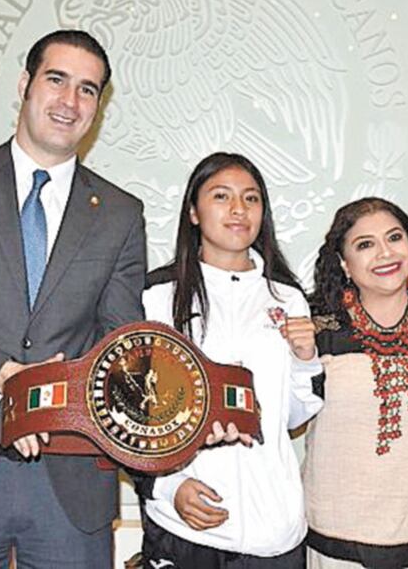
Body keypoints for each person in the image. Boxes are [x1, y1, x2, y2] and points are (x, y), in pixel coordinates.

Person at [0, 29, 147, 567]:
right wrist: (5, 377)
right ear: (24, 84)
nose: (70, 101)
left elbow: (120, 345)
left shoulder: (121, 213)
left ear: (98, 108)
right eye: (56, 79)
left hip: (69, 479)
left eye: (87, 89)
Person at [137, 152, 323, 568]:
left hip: (274, 535)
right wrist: (168, 487)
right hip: (184, 530)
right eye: (221, 196)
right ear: (193, 212)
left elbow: (293, 417)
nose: (239, 209)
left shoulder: (288, 297)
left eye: (251, 198)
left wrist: (305, 359)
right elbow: (127, 415)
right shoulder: (155, 296)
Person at [303, 197, 408, 569]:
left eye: (394, 237)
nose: (385, 253)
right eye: (365, 244)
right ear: (344, 264)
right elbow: (287, 416)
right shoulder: (314, 329)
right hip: (337, 543)